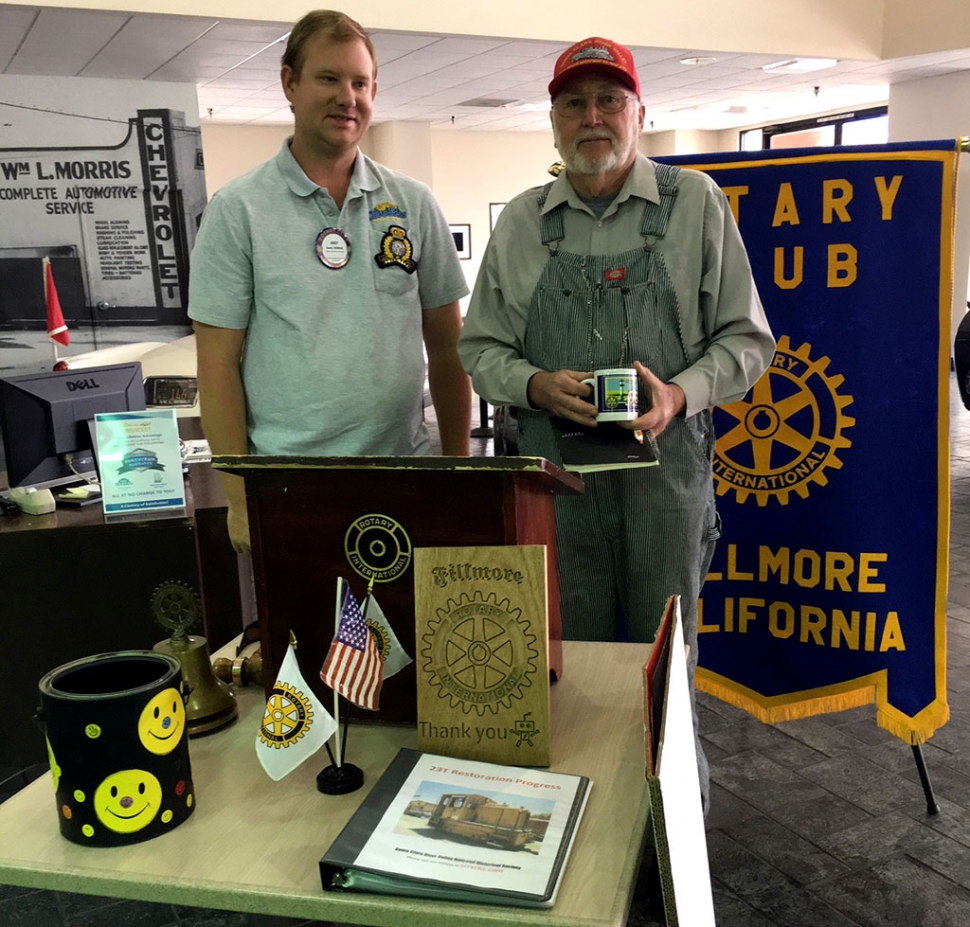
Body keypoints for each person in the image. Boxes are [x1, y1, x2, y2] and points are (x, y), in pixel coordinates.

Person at [458, 36, 775, 810]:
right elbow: (480, 347)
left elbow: (747, 342)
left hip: (665, 488)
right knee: (571, 671)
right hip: (559, 492)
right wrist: (531, 382)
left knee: (666, 672)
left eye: (609, 101)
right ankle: (579, 831)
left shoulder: (696, 203)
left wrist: (680, 394)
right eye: (574, 102)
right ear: (554, 120)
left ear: (639, 112)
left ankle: (672, 845)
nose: (592, 117)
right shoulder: (524, 225)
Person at [188, 10, 471, 553]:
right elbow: (217, 364)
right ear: (290, 83)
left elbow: (448, 345)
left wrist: (455, 471)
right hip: (289, 484)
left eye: (360, 82)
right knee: (309, 639)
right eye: (329, 78)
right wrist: (240, 498)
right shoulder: (237, 211)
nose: (348, 97)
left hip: (403, 475)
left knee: (409, 636)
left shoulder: (412, 203)